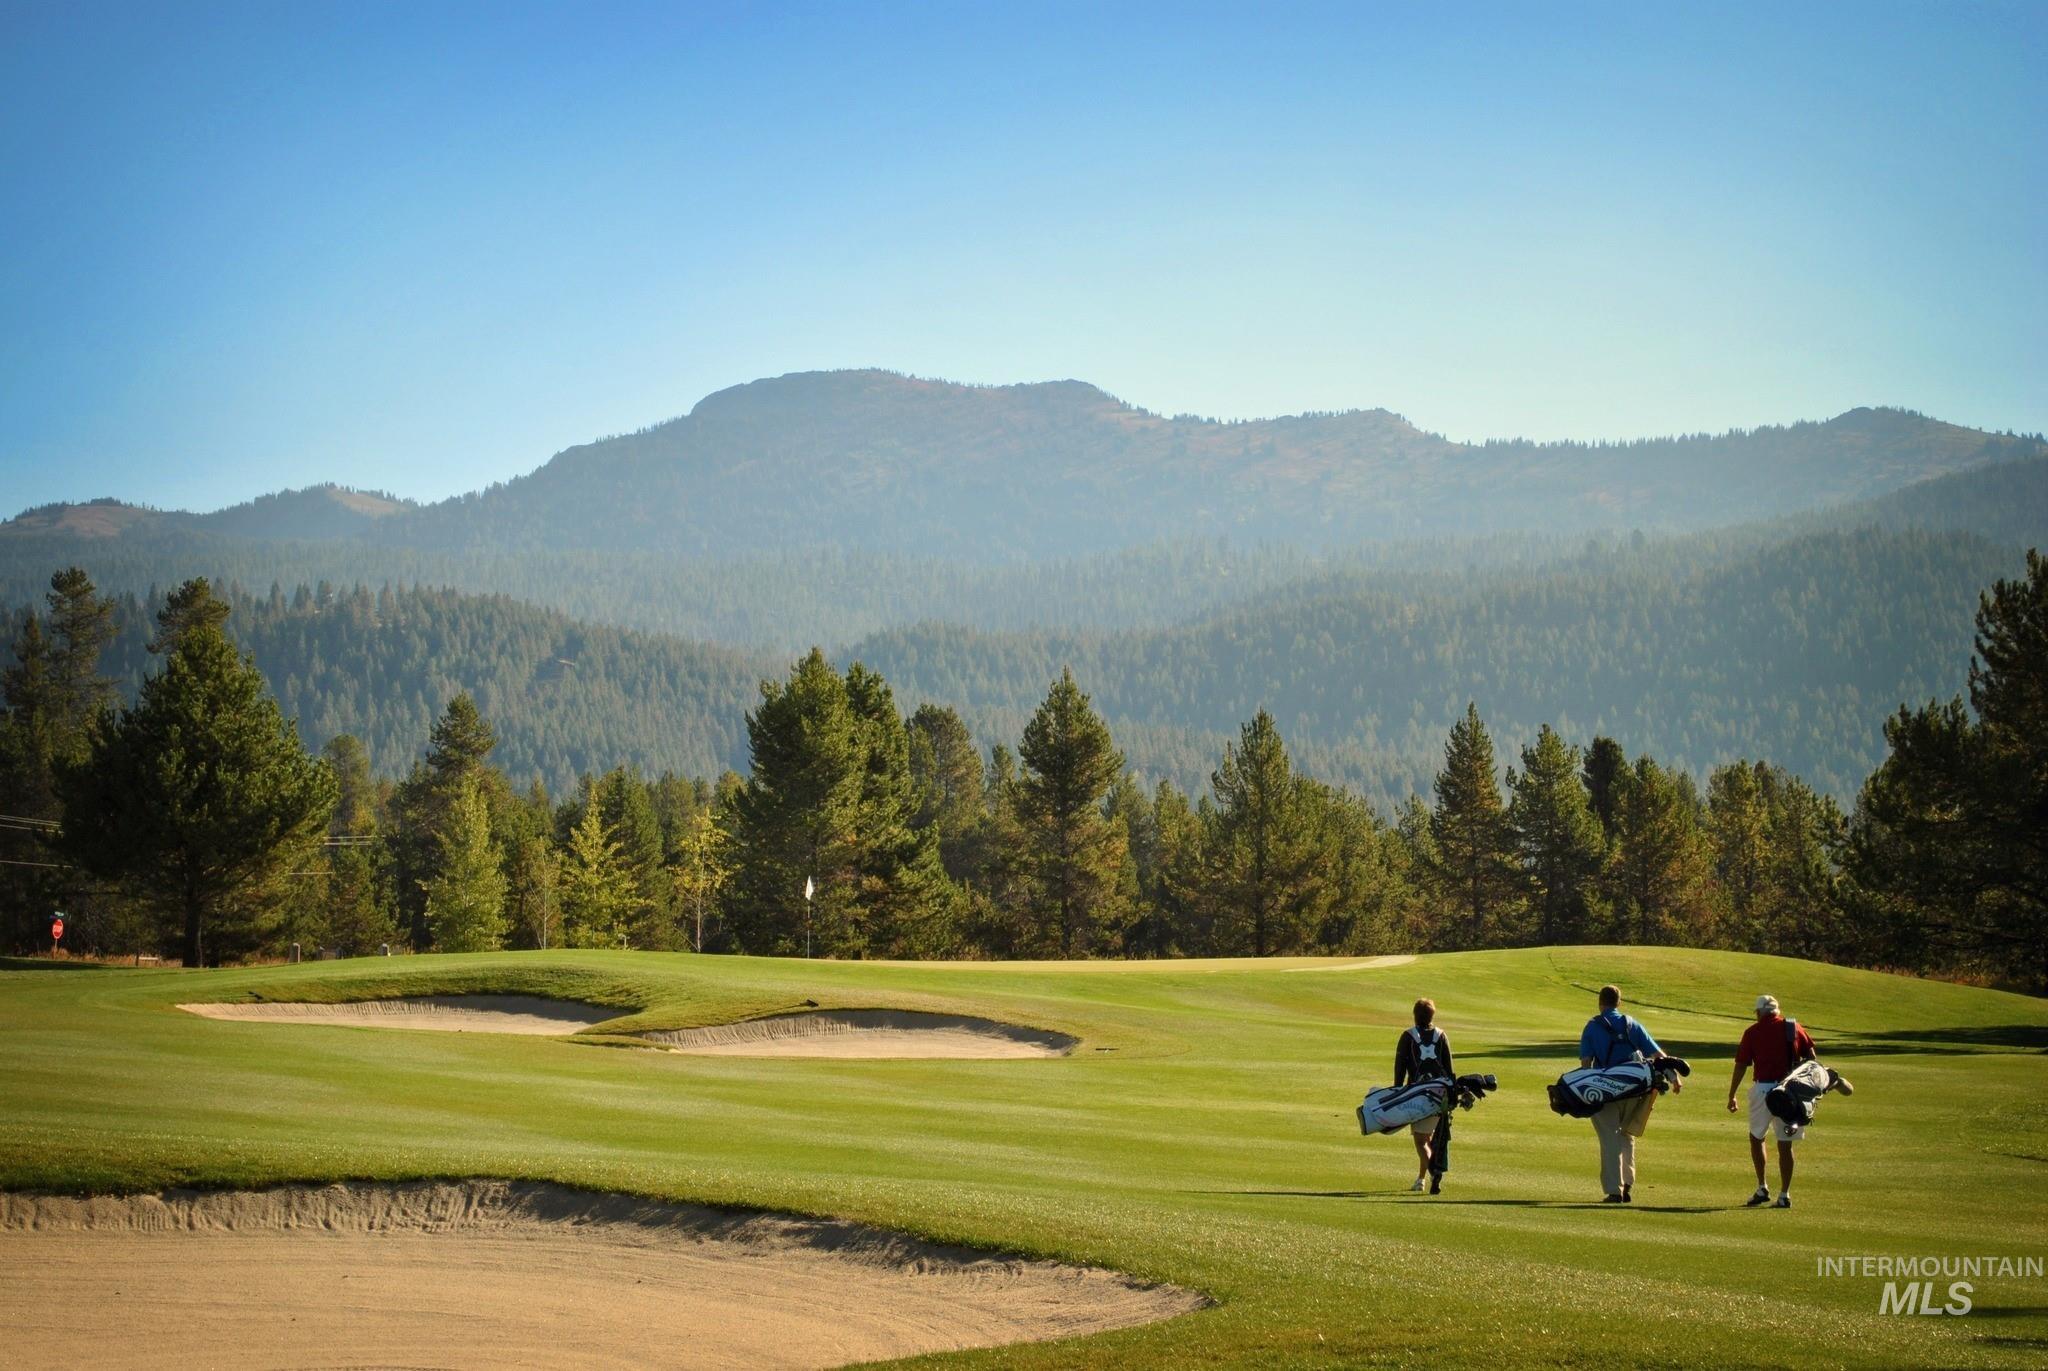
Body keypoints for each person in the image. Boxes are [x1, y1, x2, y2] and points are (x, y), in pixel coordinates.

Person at [1727, 994, 1852, 1209]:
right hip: (1791, 1094)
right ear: (1777, 1011)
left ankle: (1762, 1187)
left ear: (1759, 1012)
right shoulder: (1793, 1028)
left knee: (1757, 1138)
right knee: (1785, 1145)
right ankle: (1784, 1194)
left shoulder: (1752, 1032)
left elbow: (1741, 1064)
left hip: (1763, 1091)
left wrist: (1732, 1094)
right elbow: (1812, 1060)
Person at [1578, 984, 1663, 1203]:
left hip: (1606, 1091)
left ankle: (1614, 1190)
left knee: (1610, 1138)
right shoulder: (1631, 1024)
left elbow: (1586, 1064)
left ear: (1600, 1002)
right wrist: (1674, 1078)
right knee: (1627, 1135)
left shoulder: (1592, 1027)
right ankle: (1627, 1184)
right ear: (1619, 1002)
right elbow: (1658, 1055)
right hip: (1634, 1090)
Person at [1393, 998, 1454, 1193]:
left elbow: (1400, 1067)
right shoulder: (1441, 1035)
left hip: (1417, 1095)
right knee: (1428, 1139)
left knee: (1420, 1141)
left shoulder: (1408, 1036)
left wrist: (1397, 1091)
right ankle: (1421, 1180)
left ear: (1415, 1015)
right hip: (1440, 1096)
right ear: (1432, 1015)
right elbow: (1449, 1070)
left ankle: (1434, 1172)